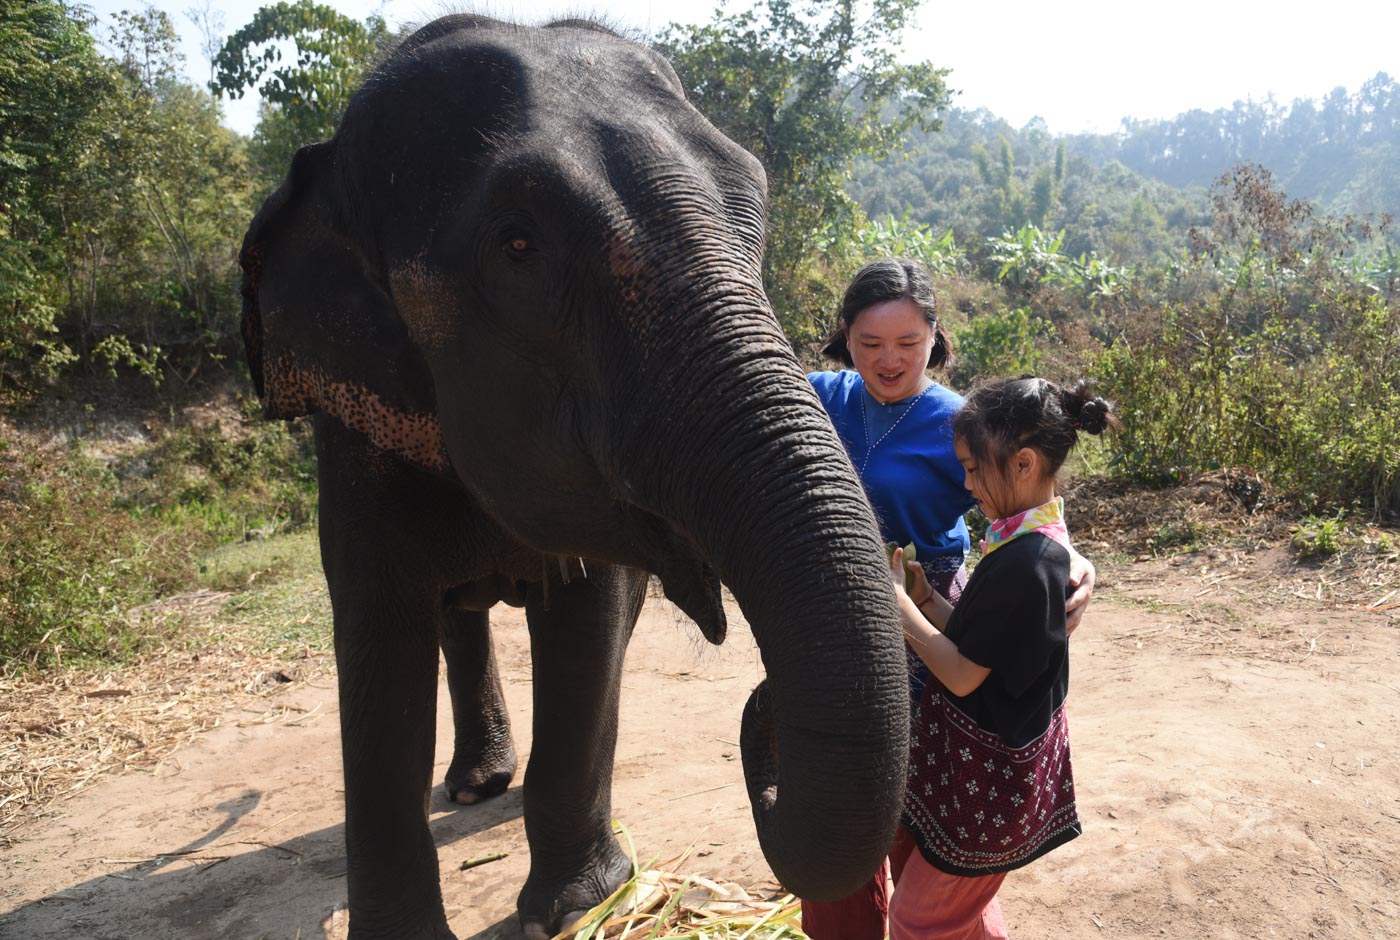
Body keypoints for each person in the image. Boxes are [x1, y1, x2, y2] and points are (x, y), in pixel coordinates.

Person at [801, 259, 1096, 940]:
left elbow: (1027, 494)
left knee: (922, 789)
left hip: (922, 605)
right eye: (870, 344)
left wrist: (1072, 558)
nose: (889, 360)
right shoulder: (817, 396)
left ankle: (930, 921)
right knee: (833, 785)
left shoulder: (958, 420)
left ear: (936, 336)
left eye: (909, 342)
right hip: (823, 611)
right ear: (845, 338)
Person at [885, 375, 1113, 938]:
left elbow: (963, 674)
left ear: (1023, 464)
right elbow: (979, 641)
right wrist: (928, 600)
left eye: (972, 468)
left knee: (914, 920)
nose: (967, 484)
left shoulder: (1027, 563)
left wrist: (897, 608)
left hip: (988, 795)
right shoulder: (1022, 541)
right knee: (956, 919)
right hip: (985, 788)